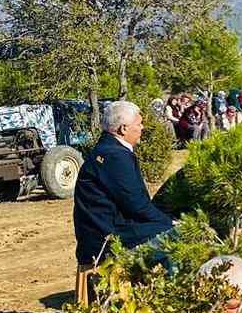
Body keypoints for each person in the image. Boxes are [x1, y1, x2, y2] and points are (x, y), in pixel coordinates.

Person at [73, 100, 175, 266]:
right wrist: (169, 222)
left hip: (98, 236)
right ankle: (170, 291)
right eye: (139, 123)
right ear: (123, 129)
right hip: (107, 242)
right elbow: (137, 205)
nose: (142, 127)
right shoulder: (115, 156)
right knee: (179, 234)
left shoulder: (105, 149)